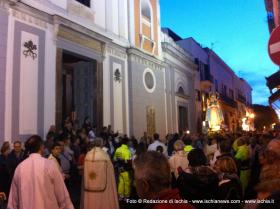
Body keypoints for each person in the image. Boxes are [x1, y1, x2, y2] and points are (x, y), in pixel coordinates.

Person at [7, 135, 74, 209]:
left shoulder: (20, 168)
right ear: (41, 147)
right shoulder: (49, 165)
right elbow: (62, 194)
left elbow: (13, 201)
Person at [81, 137, 119, 209]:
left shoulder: (88, 155)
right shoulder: (104, 156)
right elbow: (110, 172)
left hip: (89, 186)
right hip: (103, 188)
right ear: (101, 144)